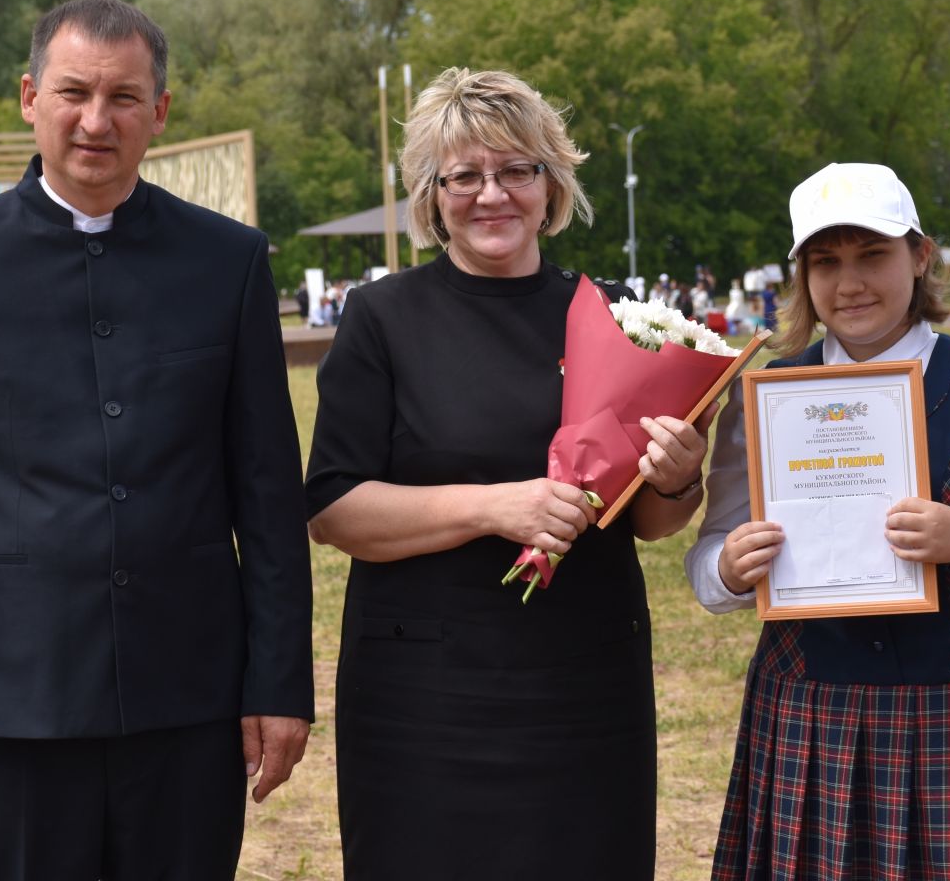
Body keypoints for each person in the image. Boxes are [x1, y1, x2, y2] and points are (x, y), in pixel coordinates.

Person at [0, 0, 313, 879]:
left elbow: (266, 497)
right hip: (8, 709)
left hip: (189, 702)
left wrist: (278, 683)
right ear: (30, 97)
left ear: (161, 112)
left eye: (124, 98)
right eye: (73, 93)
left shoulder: (230, 264)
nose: (96, 121)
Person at [304, 68, 710, 879]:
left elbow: (650, 520)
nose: (492, 195)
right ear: (432, 192)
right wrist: (497, 508)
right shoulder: (383, 320)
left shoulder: (616, 312)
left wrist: (678, 478)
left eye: (515, 170)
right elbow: (334, 510)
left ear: (550, 183)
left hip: (584, 681)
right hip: (424, 693)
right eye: (465, 176)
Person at [686, 162, 950, 881]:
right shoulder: (767, 400)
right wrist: (726, 566)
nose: (850, 283)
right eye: (826, 262)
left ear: (920, 255)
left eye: (872, 254)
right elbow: (709, 557)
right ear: (803, 276)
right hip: (810, 705)